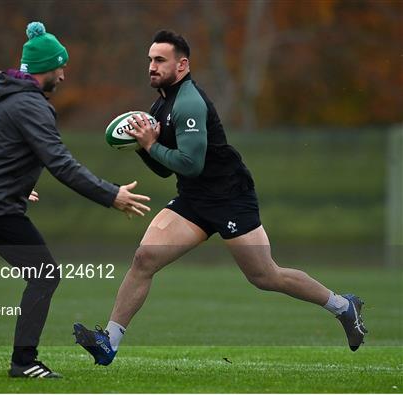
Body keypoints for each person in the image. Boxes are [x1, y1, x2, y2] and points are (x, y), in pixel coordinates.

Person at [73, 30, 367, 365]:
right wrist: (145, 147)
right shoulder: (162, 103)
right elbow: (165, 172)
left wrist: (152, 145)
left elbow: (191, 164)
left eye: (160, 60)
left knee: (264, 276)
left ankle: (344, 307)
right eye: (150, 60)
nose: (152, 67)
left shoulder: (189, 102)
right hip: (194, 199)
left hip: (229, 197)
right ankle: (109, 341)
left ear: (181, 65)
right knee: (144, 259)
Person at [0, 21, 151, 379]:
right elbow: (60, 163)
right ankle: (24, 362)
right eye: (60, 68)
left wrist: (18, 187)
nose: (64, 76)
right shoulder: (31, 105)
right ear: (46, 70)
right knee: (45, 274)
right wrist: (110, 194)